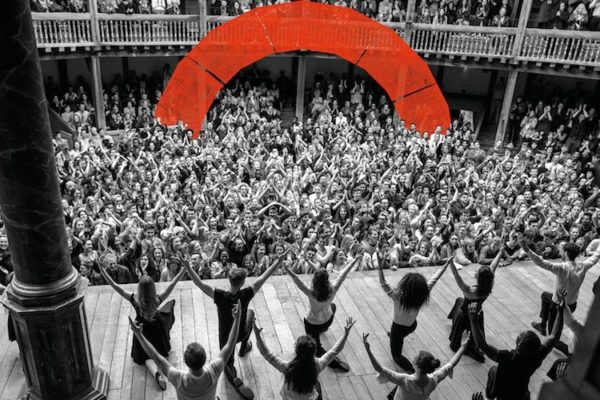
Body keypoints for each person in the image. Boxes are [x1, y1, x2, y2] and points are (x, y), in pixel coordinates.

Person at [183, 252, 289, 399]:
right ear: (243, 282)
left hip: (227, 338)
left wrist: (188, 267)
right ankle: (244, 347)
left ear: (229, 279)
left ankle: (233, 378)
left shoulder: (220, 296)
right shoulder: (246, 293)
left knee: (227, 363)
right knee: (250, 314)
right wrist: (278, 261)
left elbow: (199, 284)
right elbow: (264, 277)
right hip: (242, 332)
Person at [128, 300, 242, 400]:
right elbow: (229, 345)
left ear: (186, 362)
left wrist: (139, 335)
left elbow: (155, 356)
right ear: (205, 358)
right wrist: (237, 319)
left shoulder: (179, 380)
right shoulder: (214, 371)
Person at [100, 260, 187, 389]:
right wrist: (185, 269)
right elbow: (173, 283)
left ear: (139, 288)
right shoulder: (157, 299)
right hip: (157, 329)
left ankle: (156, 373)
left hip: (142, 330)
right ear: (153, 288)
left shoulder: (135, 299)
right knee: (157, 353)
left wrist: (102, 270)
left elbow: (114, 284)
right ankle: (160, 371)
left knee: (146, 356)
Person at [468, 294, 565, 400]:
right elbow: (554, 336)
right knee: (493, 371)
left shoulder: (508, 358)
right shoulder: (537, 356)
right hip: (522, 396)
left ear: (519, 343)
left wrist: (473, 320)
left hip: (504, 397)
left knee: (493, 371)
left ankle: (490, 395)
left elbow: (482, 345)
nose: (519, 334)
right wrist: (560, 311)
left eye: (521, 335)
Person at [284, 257, 361, 372]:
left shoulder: (311, 293)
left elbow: (296, 279)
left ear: (314, 280)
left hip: (313, 323)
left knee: (316, 348)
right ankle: (323, 329)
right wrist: (354, 260)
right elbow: (343, 273)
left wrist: (287, 270)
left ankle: (335, 363)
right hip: (327, 320)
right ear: (327, 280)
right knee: (333, 306)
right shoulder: (333, 289)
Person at [254, 317, 356, 400]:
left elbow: (267, 354)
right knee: (317, 385)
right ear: (314, 352)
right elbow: (334, 351)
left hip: (288, 398)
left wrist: (257, 336)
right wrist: (345, 335)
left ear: (296, 351)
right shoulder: (317, 366)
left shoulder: (287, 367)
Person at [378, 259, 451, 373]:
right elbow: (434, 279)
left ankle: (412, 371)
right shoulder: (422, 296)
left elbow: (383, 283)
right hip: (412, 326)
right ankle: (394, 336)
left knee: (396, 356)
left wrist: (380, 266)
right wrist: (445, 266)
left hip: (397, 328)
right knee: (397, 335)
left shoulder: (397, 297)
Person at [519, 235, 600, 336]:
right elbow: (595, 257)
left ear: (565, 253)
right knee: (545, 296)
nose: (560, 252)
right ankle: (543, 325)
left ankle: (557, 342)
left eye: (562, 251)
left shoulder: (561, 268)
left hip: (558, 305)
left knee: (552, 335)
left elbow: (540, 261)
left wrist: (525, 248)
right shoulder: (583, 266)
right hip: (572, 304)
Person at [362, 331, 470, 400]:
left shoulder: (405, 381)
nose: (413, 357)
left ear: (416, 365)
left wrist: (368, 350)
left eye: (415, 357)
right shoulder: (433, 380)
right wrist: (463, 347)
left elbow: (380, 369)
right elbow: (450, 365)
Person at [447, 247, 502, 362]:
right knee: (459, 300)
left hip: (464, 315)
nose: (475, 271)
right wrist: (500, 252)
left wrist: (450, 262)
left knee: (459, 301)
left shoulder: (469, 291)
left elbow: (456, 275)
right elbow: (493, 267)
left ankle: (458, 337)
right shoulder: (488, 286)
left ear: (479, 278)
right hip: (477, 314)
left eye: (477, 272)